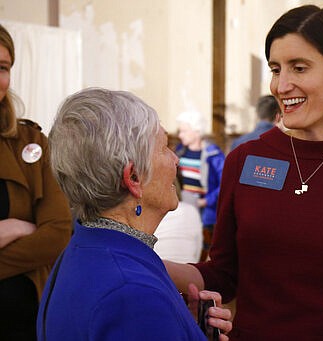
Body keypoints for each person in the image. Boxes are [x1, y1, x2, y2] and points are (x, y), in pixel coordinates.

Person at [164, 5, 323, 340]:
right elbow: (224, 273)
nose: (282, 85)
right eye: (276, 69)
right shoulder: (246, 159)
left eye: (299, 68)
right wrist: (143, 262)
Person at [36, 88, 232, 340]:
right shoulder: (131, 292)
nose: (176, 160)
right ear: (134, 178)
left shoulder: (86, 250)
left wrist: (184, 326)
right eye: (164, 147)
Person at [0, 24, 72, 341]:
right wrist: (15, 228)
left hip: (23, 322)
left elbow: (57, 235)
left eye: (2, 68)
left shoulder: (31, 142)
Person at [176, 110, 225, 261]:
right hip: (184, 206)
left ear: (196, 131)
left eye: (184, 131)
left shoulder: (213, 155)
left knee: (204, 247)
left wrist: (206, 201)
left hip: (205, 212)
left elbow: (224, 183)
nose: (180, 135)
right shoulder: (180, 151)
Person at [154, 179, 203, 264]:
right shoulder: (191, 210)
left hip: (158, 270)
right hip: (189, 271)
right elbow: (198, 251)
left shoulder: (150, 213)